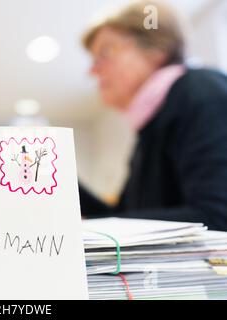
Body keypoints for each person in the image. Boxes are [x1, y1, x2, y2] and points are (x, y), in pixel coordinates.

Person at [79, 0, 227, 231]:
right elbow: (125, 217)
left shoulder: (201, 91)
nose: (93, 70)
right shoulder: (150, 126)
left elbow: (217, 217)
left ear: (156, 47)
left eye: (105, 53)